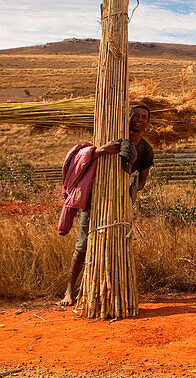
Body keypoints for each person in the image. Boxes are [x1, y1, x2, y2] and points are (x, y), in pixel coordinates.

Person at [62, 104, 154, 307]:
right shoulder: (108, 137)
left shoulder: (146, 150)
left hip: (121, 204)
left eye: (144, 117)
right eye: (136, 115)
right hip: (96, 200)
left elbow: (143, 179)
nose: (139, 119)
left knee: (117, 244)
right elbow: (83, 159)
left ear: (147, 123)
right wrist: (101, 151)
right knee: (83, 245)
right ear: (128, 117)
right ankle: (70, 291)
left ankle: (111, 291)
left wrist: (130, 193)